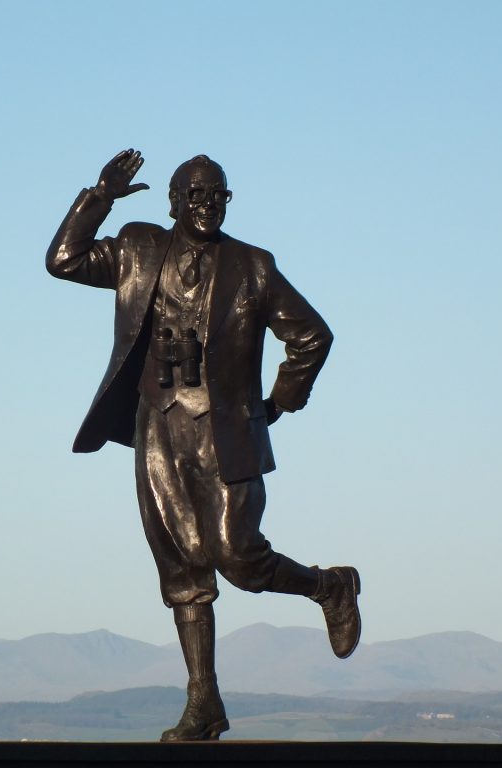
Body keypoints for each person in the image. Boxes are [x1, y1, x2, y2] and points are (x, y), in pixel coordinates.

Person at [46, 149, 361, 741]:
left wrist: (278, 404)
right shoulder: (138, 250)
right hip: (158, 428)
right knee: (182, 568)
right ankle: (203, 703)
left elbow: (312, 336)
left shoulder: (253, 268)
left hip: (225, 432)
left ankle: (329, 586)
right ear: (172, 204)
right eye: (194, 197)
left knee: (238, 555)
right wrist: (100, 196)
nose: (206, 206)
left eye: (217, 195)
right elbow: (62, 260)